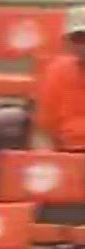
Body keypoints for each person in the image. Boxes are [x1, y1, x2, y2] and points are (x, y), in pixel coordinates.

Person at [33, 7, 85, 151]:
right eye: (79, 38)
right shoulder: (56, 71)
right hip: (68, 154)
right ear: (68, 42)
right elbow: (42, 133)